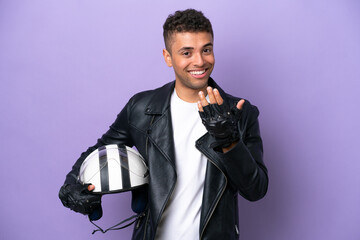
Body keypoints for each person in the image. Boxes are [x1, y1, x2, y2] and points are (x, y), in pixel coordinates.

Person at [59, 9, 268, 240]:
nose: (200, 61)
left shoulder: (241, 112)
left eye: (206, 49)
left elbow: (256, 190)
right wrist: (72, 185)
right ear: (168, 57)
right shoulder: (141, 108)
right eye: (186, 52)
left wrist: (229, 141)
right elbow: (99, 152)